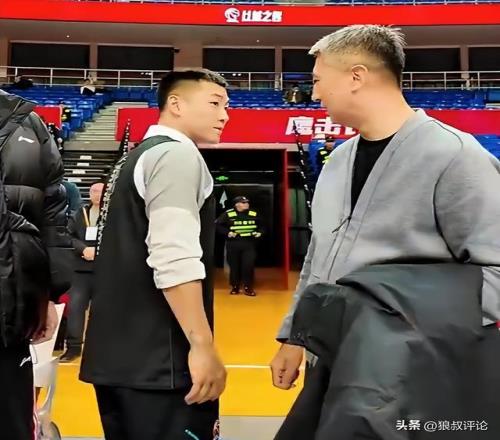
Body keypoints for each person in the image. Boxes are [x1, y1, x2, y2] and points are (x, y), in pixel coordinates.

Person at [270, 25, 500, 426]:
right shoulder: (337, 162)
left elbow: (494, 274)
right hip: (331, 361)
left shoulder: (456, 156)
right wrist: (295, 335)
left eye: (318, 80)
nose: (315, 94)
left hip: (409, 373)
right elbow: (318, 259)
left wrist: (399, 326)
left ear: (356, 77)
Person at [80, 69, 229, 440]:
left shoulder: (132, 160)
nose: (225, 115)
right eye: (215, 104)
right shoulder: (176, 156)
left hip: (116, 358)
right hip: (160, 361)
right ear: (175, 104)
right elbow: (173, 256)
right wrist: (201, 344)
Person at [0, 90, 72, 440]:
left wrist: (50, 294)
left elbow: (53, 214)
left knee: (11, 421)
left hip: (10, 309)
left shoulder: (27, 122)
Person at [60, 182, 104, 363]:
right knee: (75, 308)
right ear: (89, 193)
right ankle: (73, 348)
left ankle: (101, 349)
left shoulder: (114, 215)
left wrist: (98, 250)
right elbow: (68, 236)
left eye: (101, 191)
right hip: (80, 269)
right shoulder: (79, 213)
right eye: (94, 191)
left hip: (104, 269)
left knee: (104, 310)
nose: (97, 194)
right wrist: (83, 249)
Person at [215, 196, 262, 296]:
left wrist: (260, 233)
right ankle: (235, 286)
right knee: (234, 266)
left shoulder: (253, 213)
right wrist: (228, 232)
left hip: (249, 243)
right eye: (244, 202)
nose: (247, 204)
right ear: (237, 204)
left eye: (247, 202)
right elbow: (217, 225)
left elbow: (263, 226)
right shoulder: (228, 214)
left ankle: (248, 287)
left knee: (248, 265)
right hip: (234, 243)